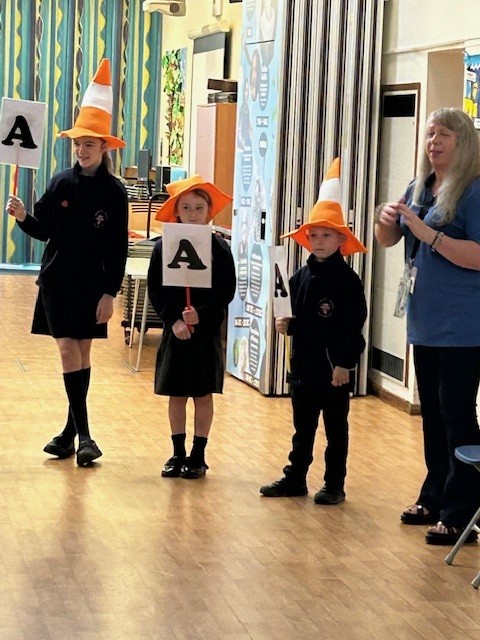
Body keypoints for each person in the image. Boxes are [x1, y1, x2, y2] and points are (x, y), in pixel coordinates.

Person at [5, 59, 128, 467]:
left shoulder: (115, 194)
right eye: (78, 144)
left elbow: (117, 248)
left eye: (89, 144)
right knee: (66, 349)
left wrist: (110, 293)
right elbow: (43, 230)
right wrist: (23, 216)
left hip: (93, 285)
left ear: (104, 147)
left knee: (83, 354)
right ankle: (86, 435)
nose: (81, 150)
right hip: (56, 281)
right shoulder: (60, 182)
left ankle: (68, 435)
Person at [375, 107, 480, 545]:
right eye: (430, 134)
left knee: (456, 415)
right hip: (425, 322)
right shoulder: (419, 187)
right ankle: (434, 495)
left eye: (443, 135)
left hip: (463, 326)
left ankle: (461, 511)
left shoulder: (473, 191)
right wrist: (385, 222)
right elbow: (389, 239)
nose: (433, 142)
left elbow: (477, 255)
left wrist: (429, 233)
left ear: (464, 143)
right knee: (432, 415)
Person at [260, 158, 368, 504]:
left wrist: (345, 363)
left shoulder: (349, 283)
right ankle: (296, 478)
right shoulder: (299, 277)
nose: (319, 241)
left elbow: (354, 325)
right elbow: (293, 316)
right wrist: (284, 324)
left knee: (336, 430)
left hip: (334, 371)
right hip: (304, 369)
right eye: (314, 235)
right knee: (302, 428)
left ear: (341, 239)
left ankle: (334, 484)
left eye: (327, 235)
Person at [148, 175, 236, 479]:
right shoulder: (163, 247)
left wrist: (202, 315)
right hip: (176, 332)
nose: (193, 213)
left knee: (202, 394)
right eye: (186, 207)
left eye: (199, 207)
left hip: (205, 332)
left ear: (209, 211)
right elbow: (156, 289)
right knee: (176, 394)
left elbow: (226, 291)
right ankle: (177, 452)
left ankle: (198, 454)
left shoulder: (219, 248)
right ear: (177, 211)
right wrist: (173, 320)